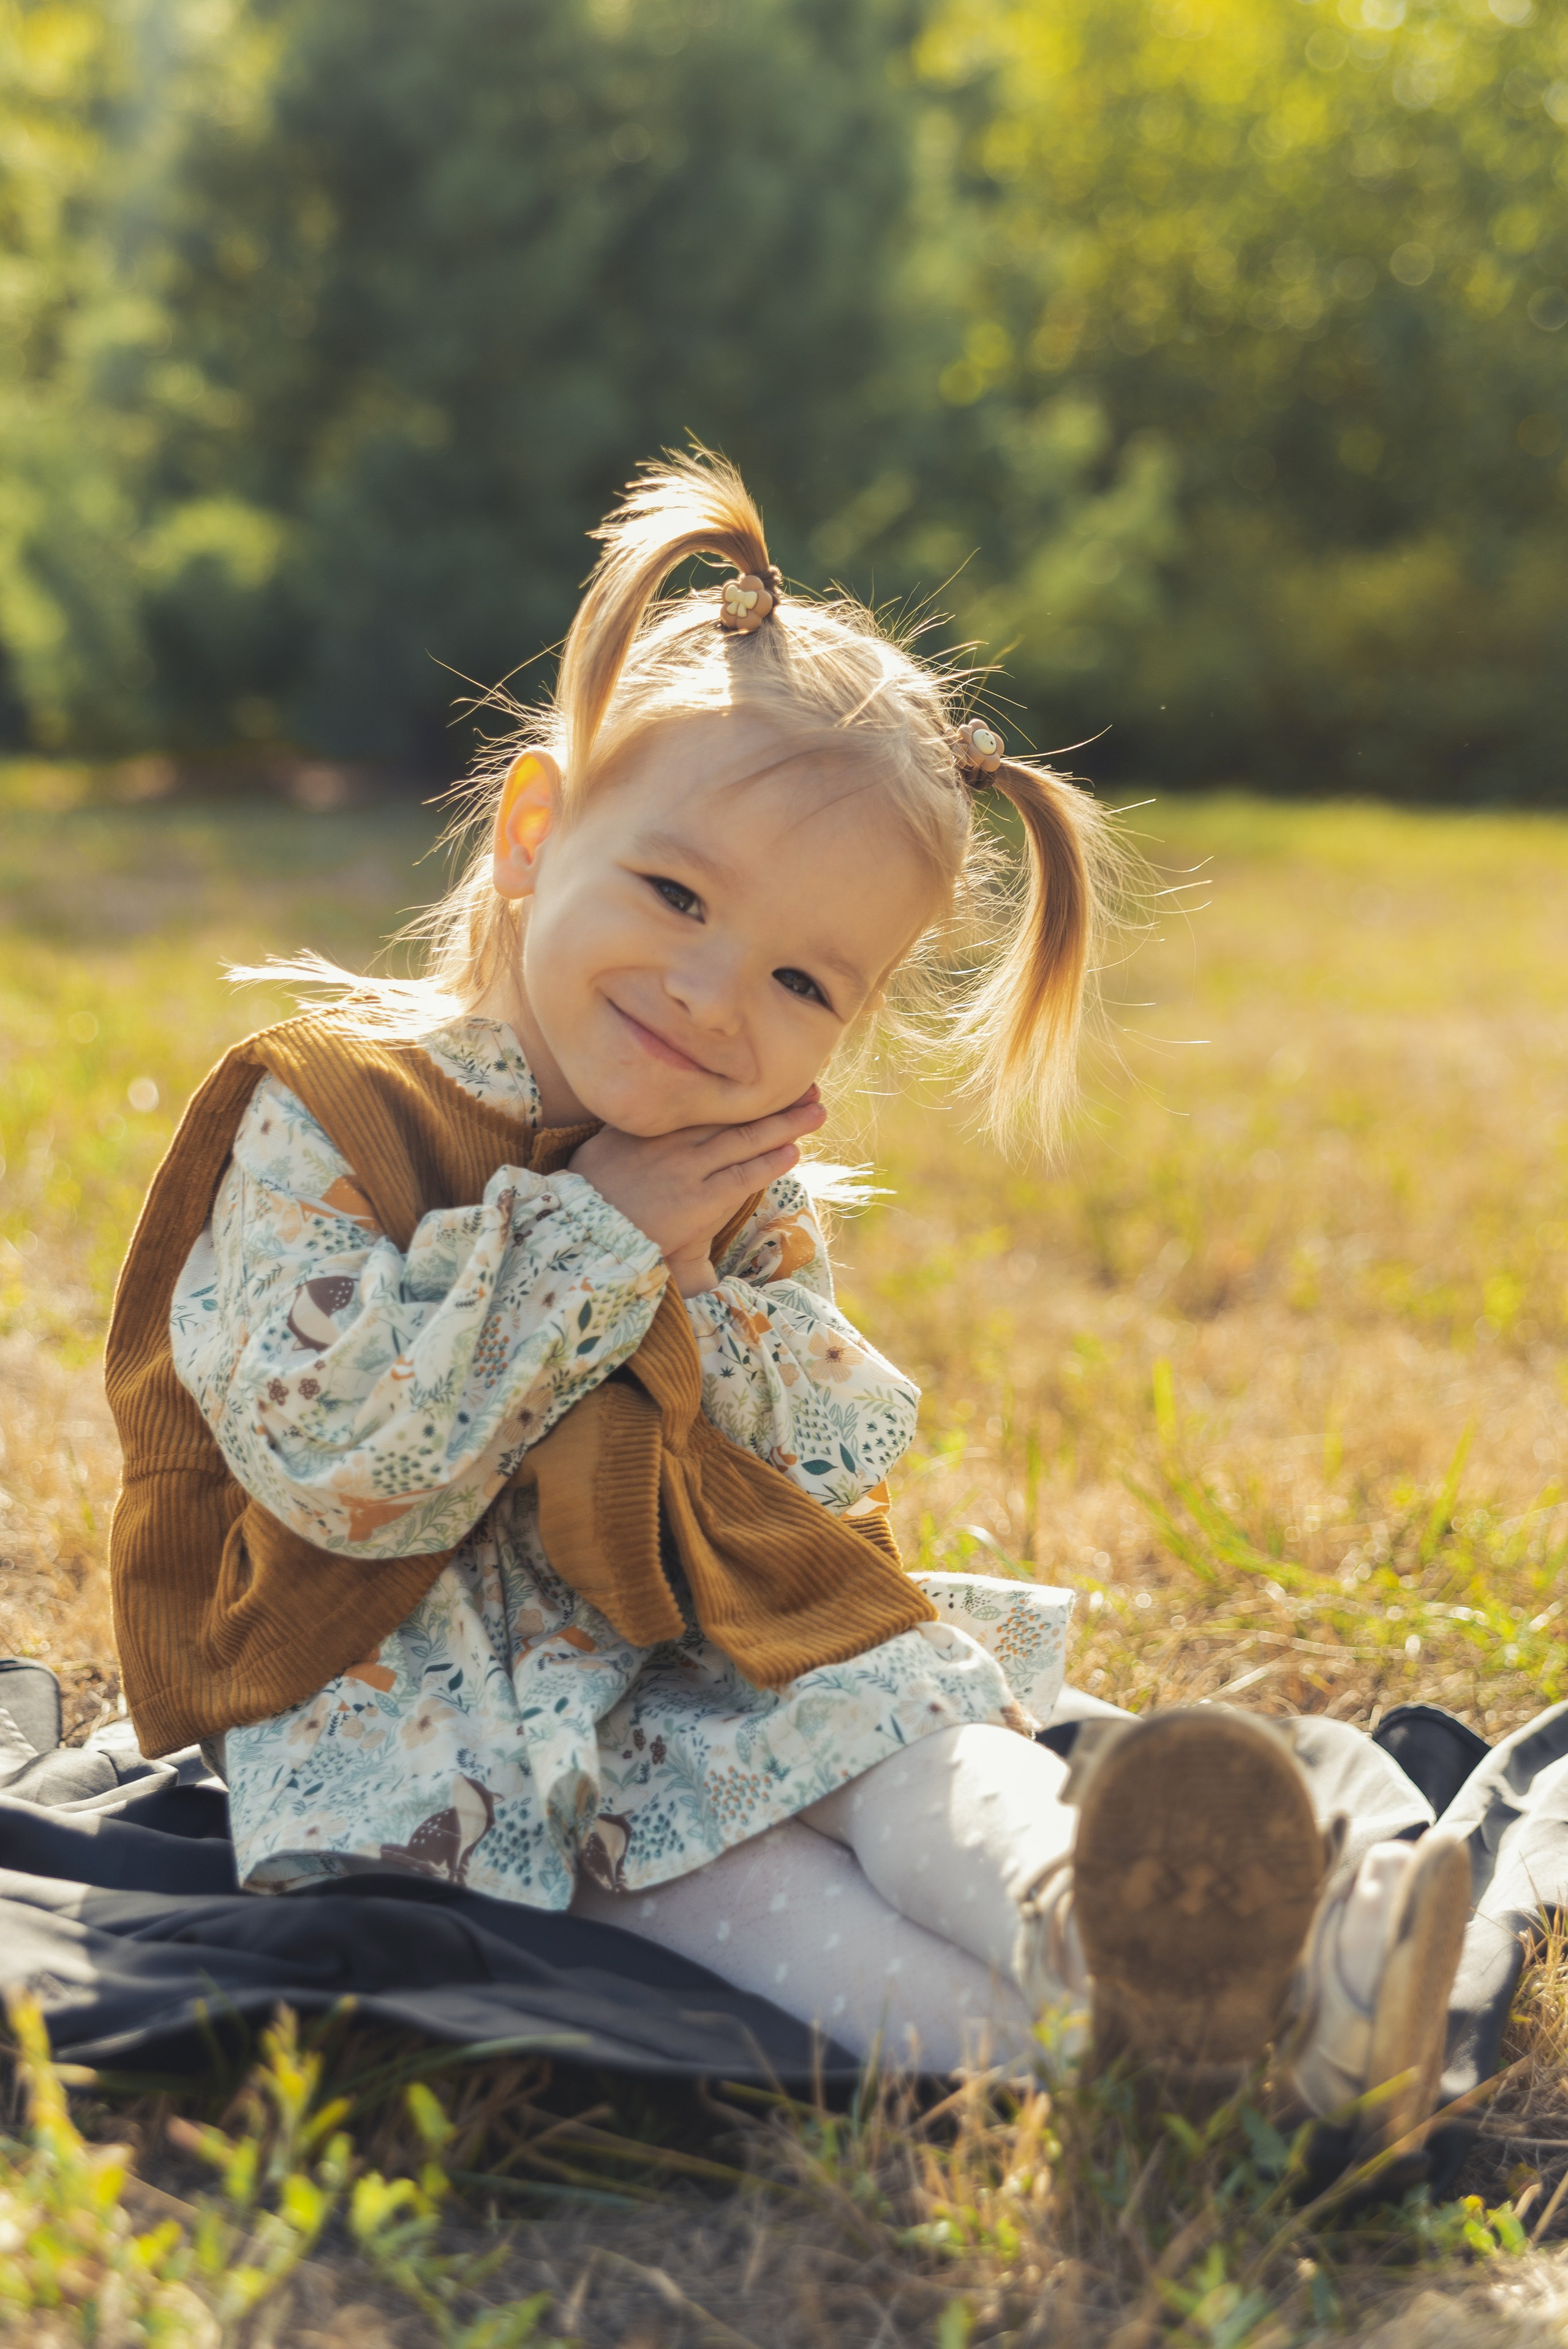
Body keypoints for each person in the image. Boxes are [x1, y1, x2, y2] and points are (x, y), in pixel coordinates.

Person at [105, 451, 1469, 2157]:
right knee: (751, 1894)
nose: (707, 994)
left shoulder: (728, 1174)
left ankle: (1174, 1935)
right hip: (449, 1731)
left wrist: (687, 1282)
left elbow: (812, 1476)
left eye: (801, 978)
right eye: (677, 894)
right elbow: (338, 1458)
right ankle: (1152, 2070)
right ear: (537, 832)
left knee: (908, 1734)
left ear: (855, 1018)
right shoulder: (329, 1114)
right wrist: (595, 1246)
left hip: (706, 1649)